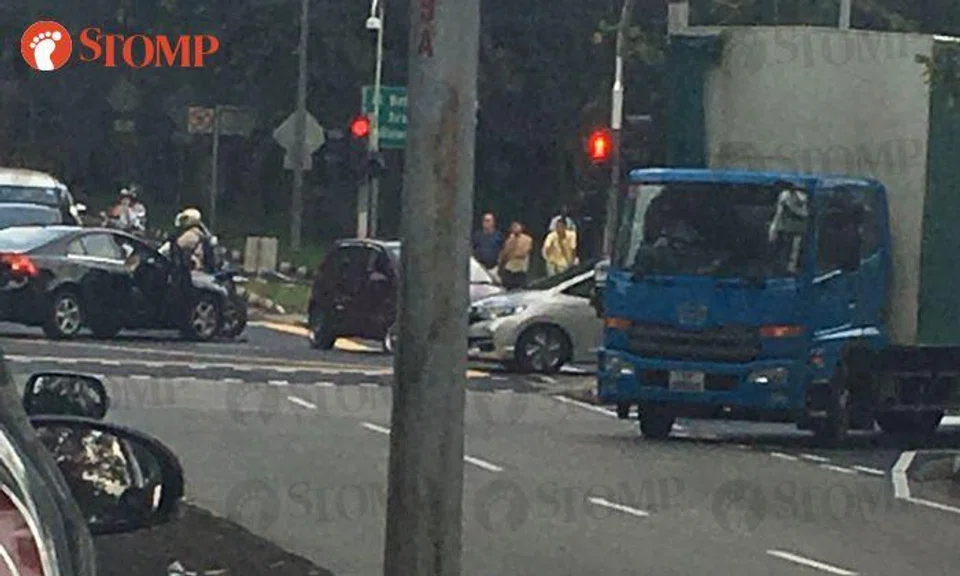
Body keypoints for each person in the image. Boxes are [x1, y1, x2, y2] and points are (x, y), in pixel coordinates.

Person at [498, 221, 533, 289]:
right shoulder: (509, 240)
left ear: (521, 227)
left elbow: (523, 253)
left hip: (520, 269)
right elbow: (505, 253)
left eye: (517, 226)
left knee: (521, 289)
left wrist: (512, 254)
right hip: (509, 269)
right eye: (513, 227)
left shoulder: (527, 239)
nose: (515, 228)